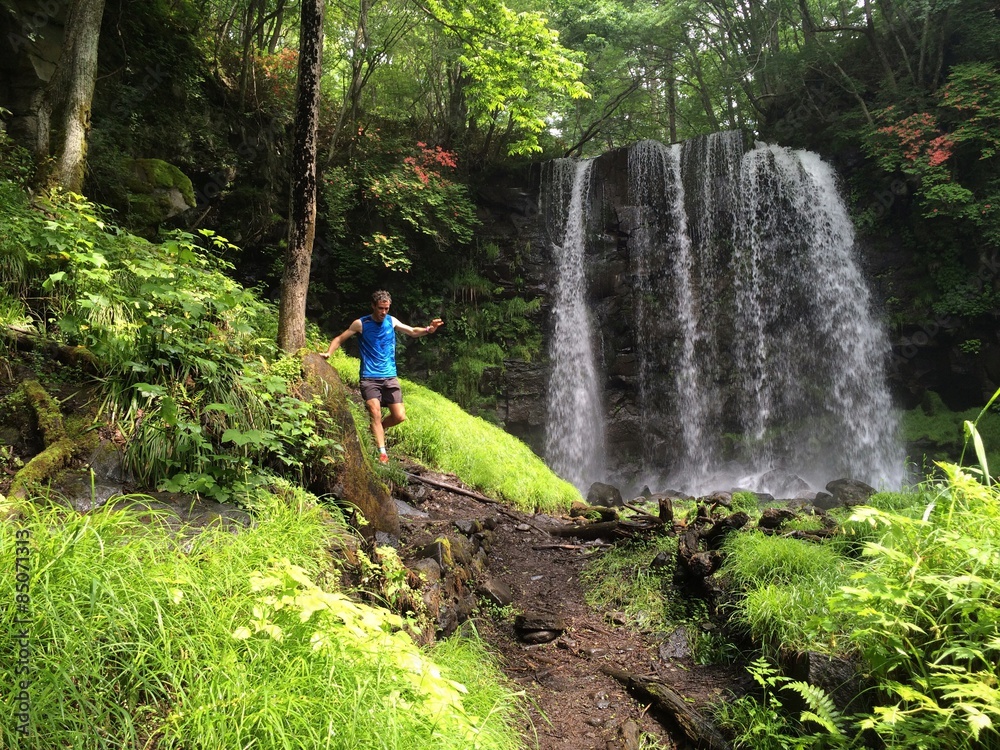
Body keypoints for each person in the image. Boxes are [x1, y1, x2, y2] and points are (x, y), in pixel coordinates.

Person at [320, 290, 443, 463]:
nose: (383, 312)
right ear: (373, 306)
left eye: (386, 308)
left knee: (399, 416)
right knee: (375, 412)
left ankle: (377, 429)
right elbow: (340, 338)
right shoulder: (361, 323)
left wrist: (430, 329)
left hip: (390, 377)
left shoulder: (391, 321)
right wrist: (328, 353)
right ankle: (382, 452)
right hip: (369, 378)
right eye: (380, 308)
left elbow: (413, 331)